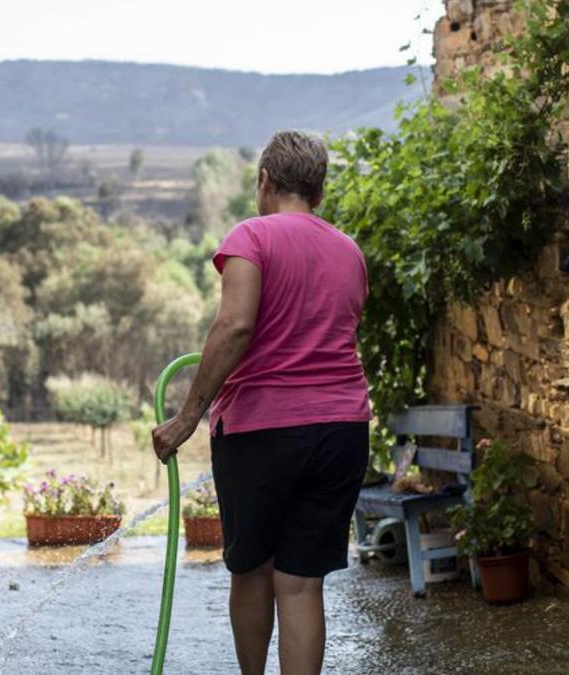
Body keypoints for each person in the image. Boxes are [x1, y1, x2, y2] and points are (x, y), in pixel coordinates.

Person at [151, 130, 371, 675]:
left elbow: (235, 325)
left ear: (264, 181)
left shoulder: (251, 236)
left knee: (251, 570)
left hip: (262, 432)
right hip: (342, 431)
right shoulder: (349, 251)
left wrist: (185, 417)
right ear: (319, 193)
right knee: (300, 583)